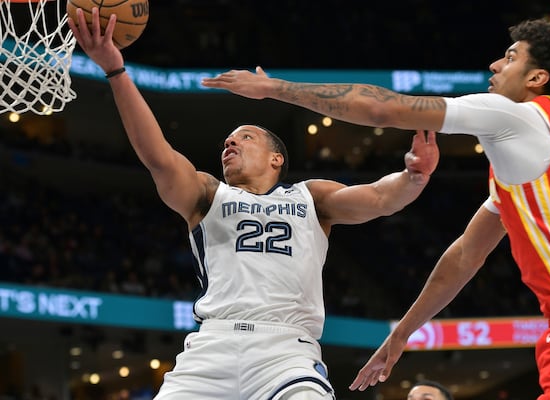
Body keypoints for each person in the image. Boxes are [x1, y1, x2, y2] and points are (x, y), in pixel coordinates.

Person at [202, 18, 550, 400]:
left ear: (537, 78)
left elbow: (382, 108)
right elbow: (464, 255)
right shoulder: (533, 155)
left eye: (511, 57)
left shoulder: (518, 116)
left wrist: (274, 87)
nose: (495, 64)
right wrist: (402, 334)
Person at [67, 8, 439, 400]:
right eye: (227, 141)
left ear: (277, 158)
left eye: (245, 137)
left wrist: (413, 175)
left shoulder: (311, 196)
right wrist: (116, 72)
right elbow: (158, 156)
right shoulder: (208, 194)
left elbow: (381, 198)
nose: (230, 143)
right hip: (212, 348)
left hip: (286, 352)